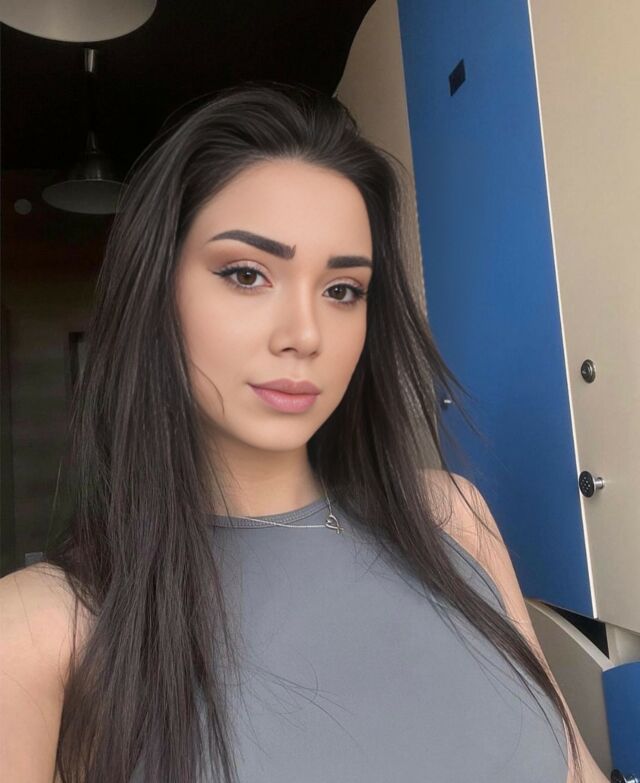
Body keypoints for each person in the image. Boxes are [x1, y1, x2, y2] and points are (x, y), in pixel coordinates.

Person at [0, 81, 605, 783]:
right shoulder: (40, 627)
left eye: (342, 289)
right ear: (155, 292)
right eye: (247, 274)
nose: (305, 334)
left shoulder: (450, 517)